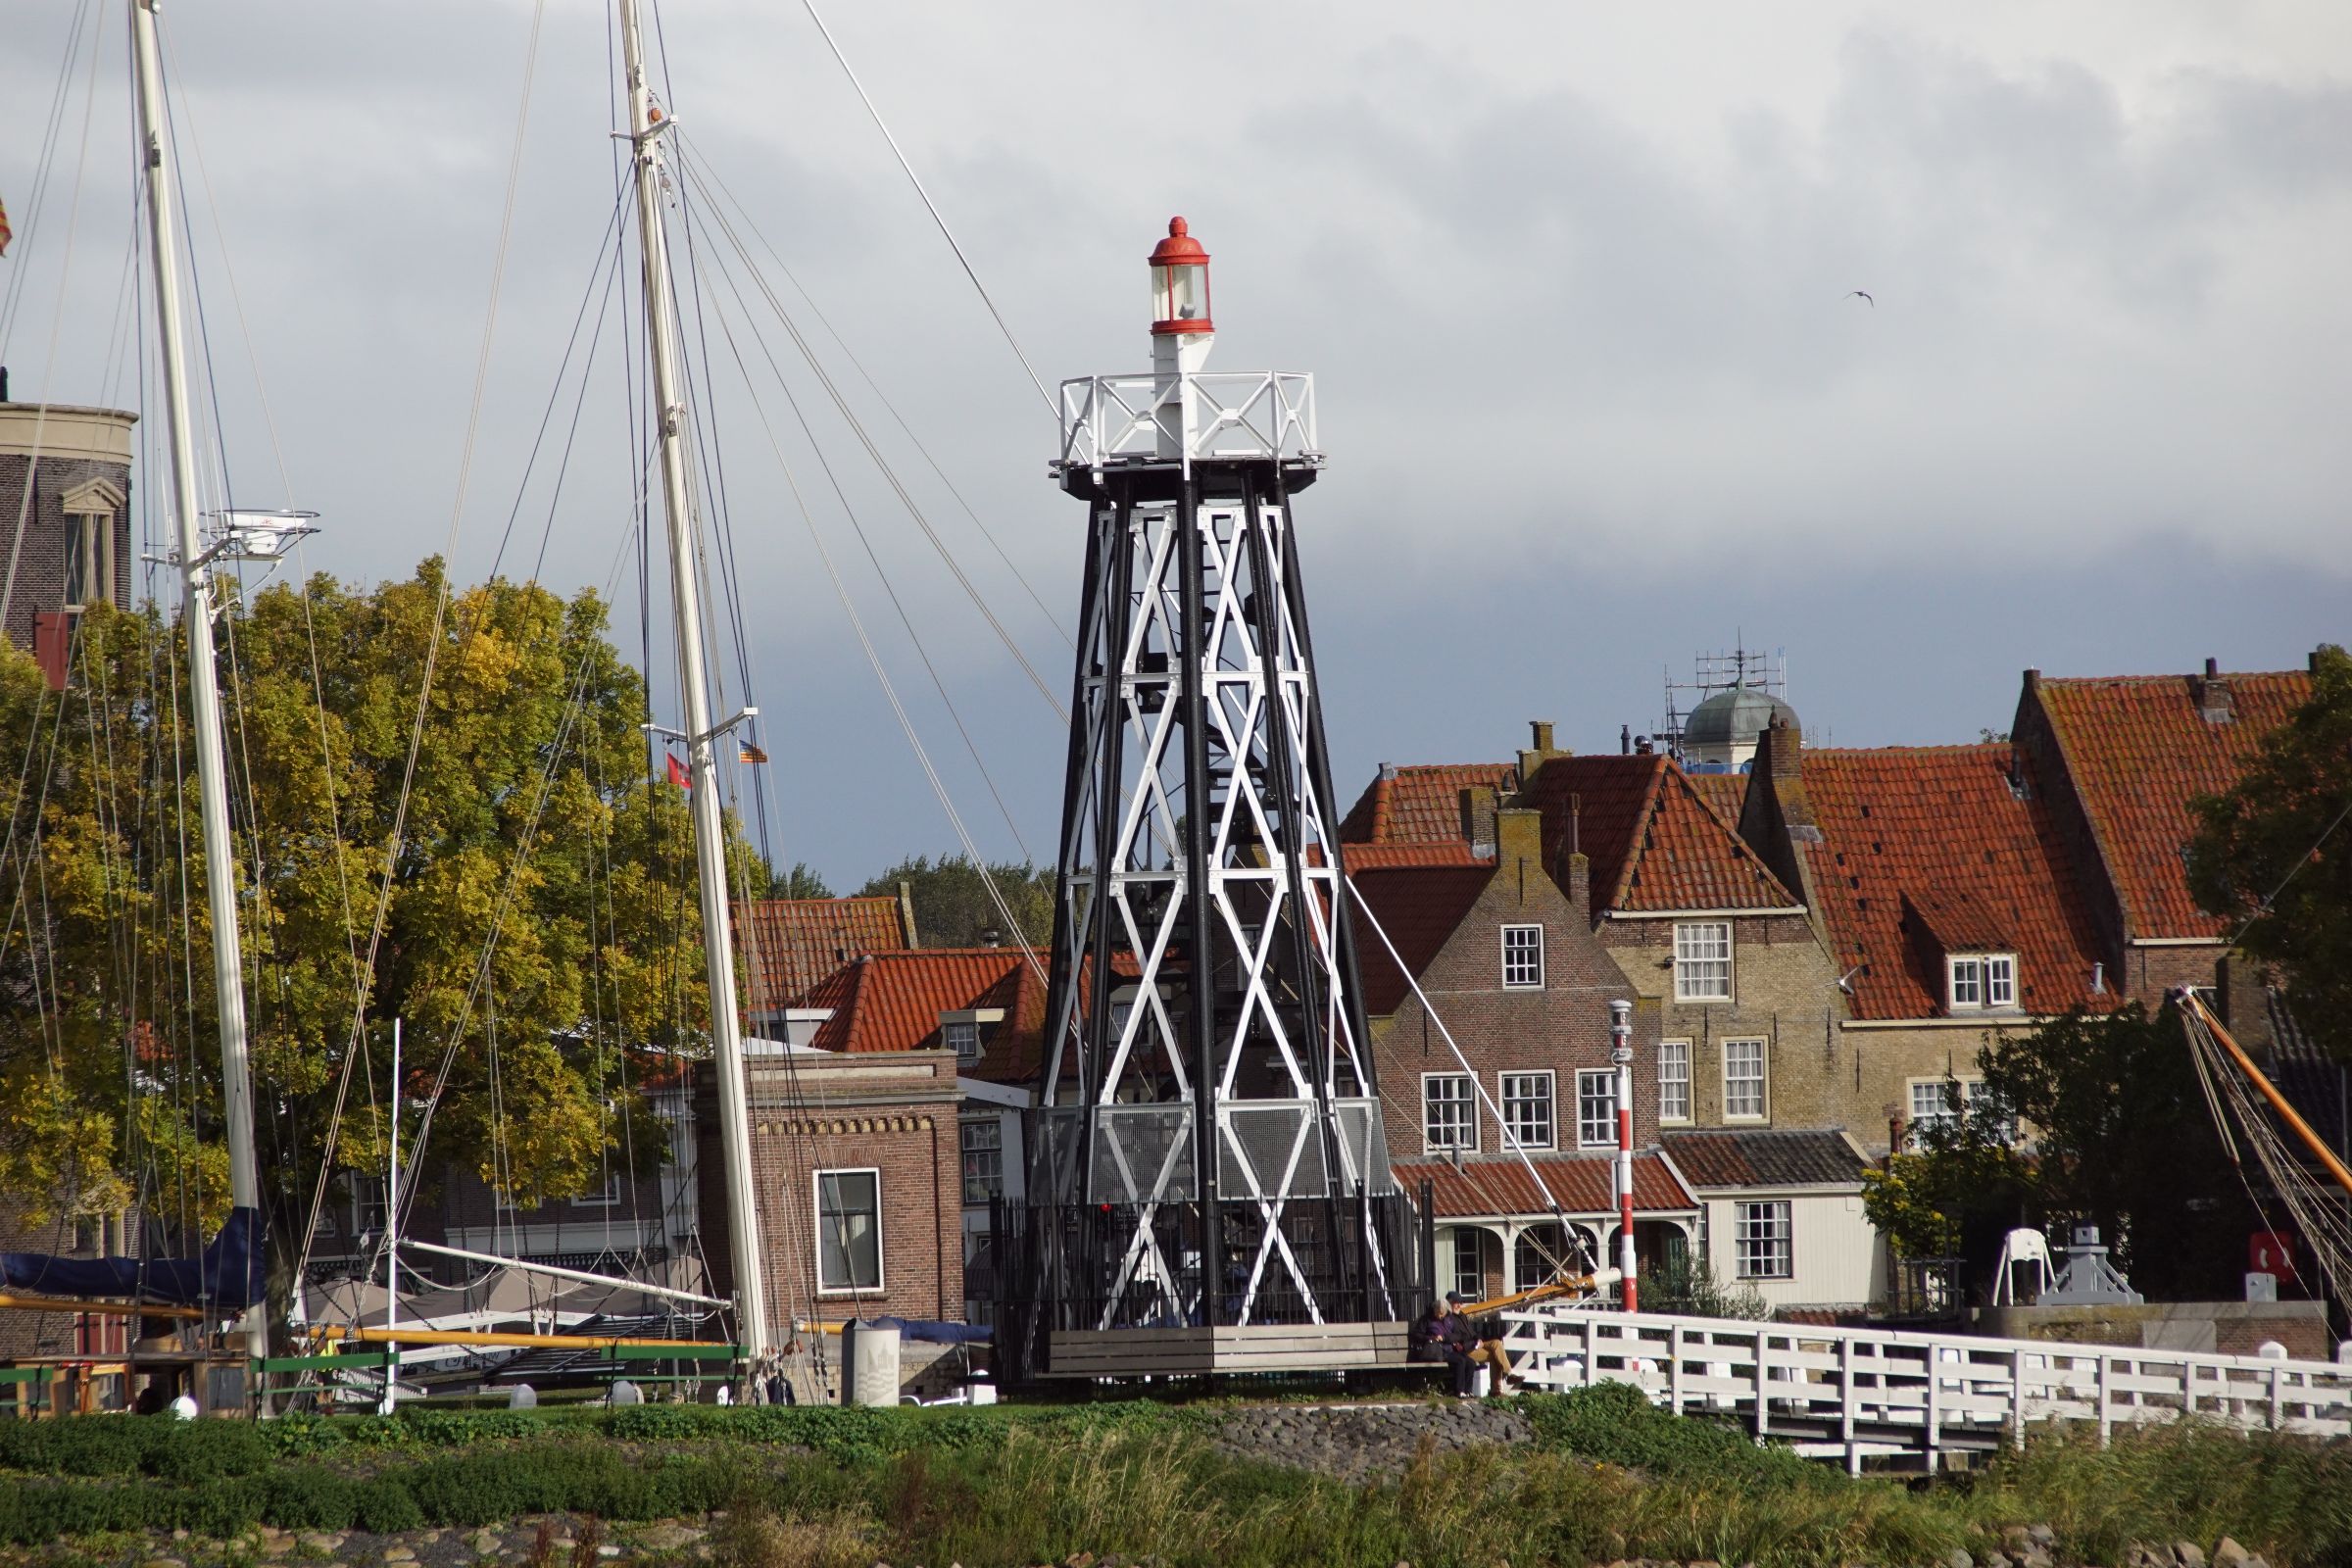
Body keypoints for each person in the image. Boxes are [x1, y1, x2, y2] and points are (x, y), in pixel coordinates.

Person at [1443, 1291, 1519, 1392]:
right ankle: (1497, 1390)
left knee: (1496, 1343)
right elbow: (1457, 1339)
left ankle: (1509, 1373)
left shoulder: (1462, 1315)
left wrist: (1479, 1339)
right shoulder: (1448, 1319)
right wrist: (1474, 1344)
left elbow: (1472, 1333)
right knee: (1494, 1356)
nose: (1459, 1305)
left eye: (1460, 1303)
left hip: (1474, 1344)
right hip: (1465, 1350)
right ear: (1449, 1303)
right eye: (1457, 1303)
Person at [1409, 1295, 1476, 1396]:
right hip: (1437, 1351)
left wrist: (1444, 1338)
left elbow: (1458, 1335)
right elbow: (1417, 1335)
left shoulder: (1449, 1319)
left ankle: (1468, 1390)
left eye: (1442, 1314)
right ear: (1434, 1309)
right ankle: (1459, 1391)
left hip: (1450, 1349)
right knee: (1460, 1361)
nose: (1440, 1316)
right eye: (1438, 1313)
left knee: (1471, 1362)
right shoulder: (1426, 1319)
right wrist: (1431, 1338)